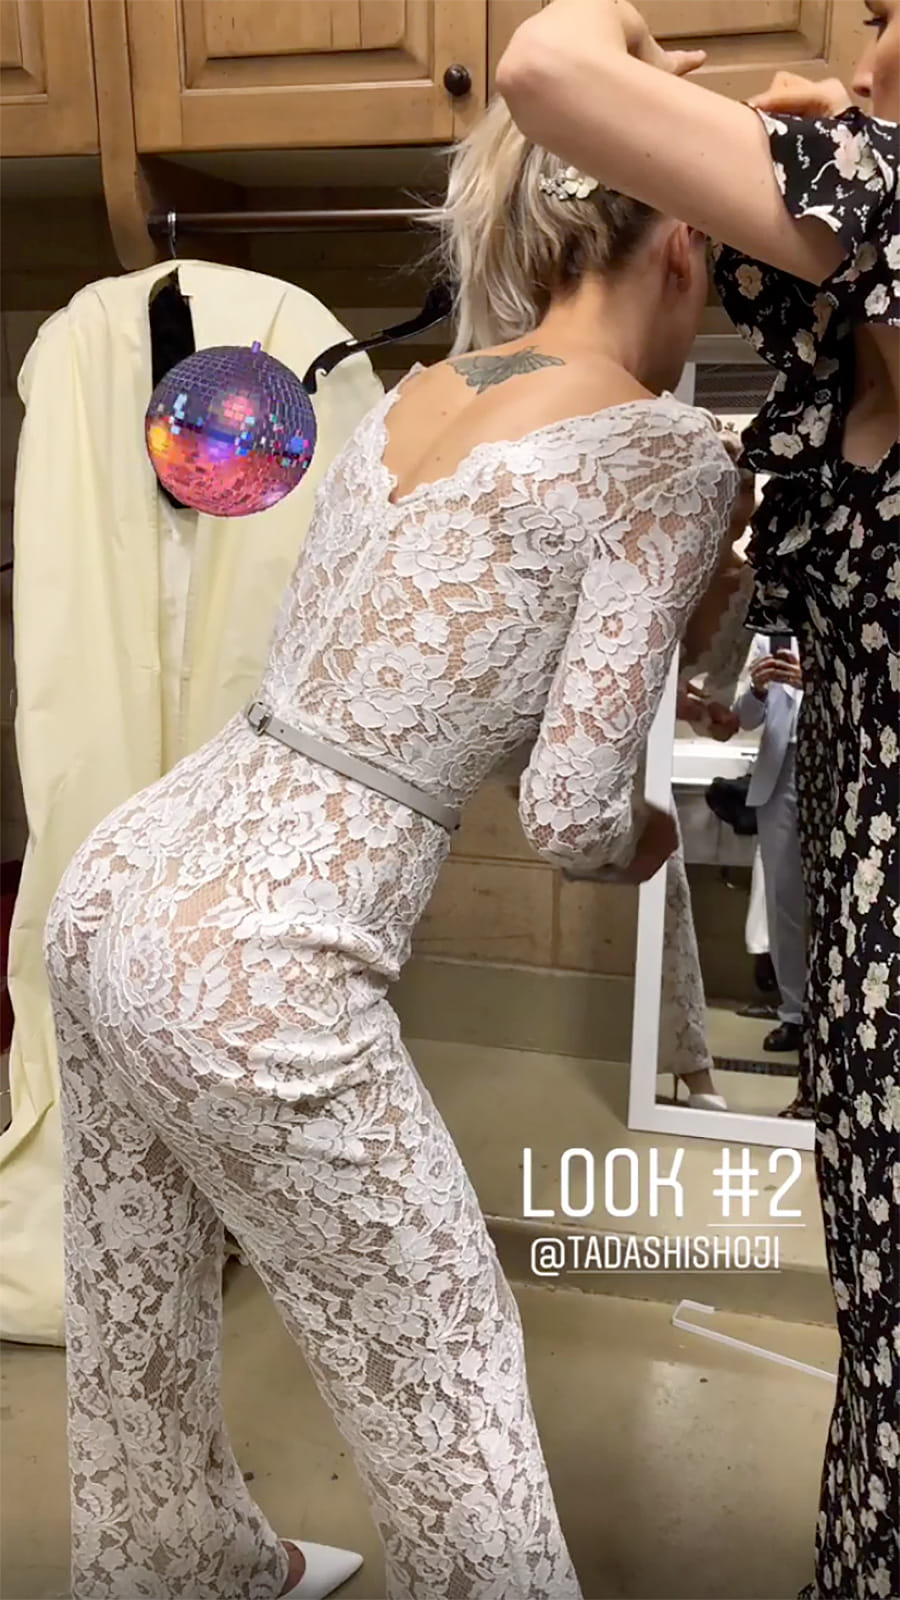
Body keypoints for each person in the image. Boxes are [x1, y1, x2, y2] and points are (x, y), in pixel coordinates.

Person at [42, 90, 739, 1600]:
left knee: (134, 1291)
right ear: (684, 238)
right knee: (448, 1369)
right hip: (262, 957)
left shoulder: (421, 389)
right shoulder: (670, 453)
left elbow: (416, 668)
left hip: (122, 878)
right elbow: (571, 812)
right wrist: (648, 836)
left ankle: (180, 1565)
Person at [497, 7, 899, 1597]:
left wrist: (647, 59)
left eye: (891, 15)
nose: (862, 54)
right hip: (865, 932)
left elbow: (542, 67)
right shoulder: (851, 317)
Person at [735, 635, 808, 1056]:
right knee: (782, 901)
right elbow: (744, 719)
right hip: (779, 774)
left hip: (839, 767)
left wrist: (813, 681)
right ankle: (794, 1014)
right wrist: (758, 689)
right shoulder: (770, 636)